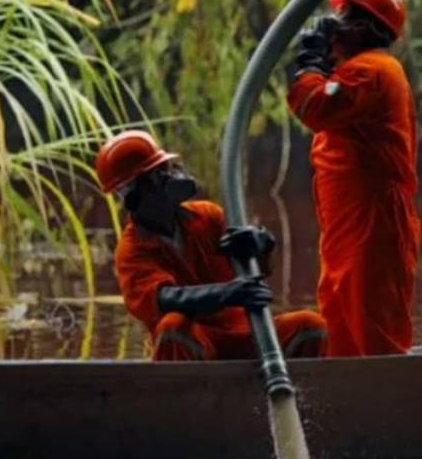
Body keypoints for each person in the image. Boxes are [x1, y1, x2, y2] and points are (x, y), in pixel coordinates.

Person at [95, 130, 326, 361]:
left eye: (166, 168)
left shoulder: (207, 216)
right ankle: (184, 396)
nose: (170, 176)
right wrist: (227, 293)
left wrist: (262, 243)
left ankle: (306, 396)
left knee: (310, 326)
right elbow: (164, 298)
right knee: (172, 327)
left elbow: (259, 268)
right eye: (157, 174)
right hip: (197, 342)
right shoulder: (132, 251)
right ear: (132, 196)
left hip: (246, 332)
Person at [286, 0, 421, 357]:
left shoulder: (371, 70)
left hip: (374, 220)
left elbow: (315, 107)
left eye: (345, 16)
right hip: (350, 223)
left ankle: (387, 399)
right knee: (341, 317)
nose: (335, 24)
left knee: (372, 321)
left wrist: (309, 64)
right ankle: (347, 397)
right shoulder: (355, 72)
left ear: (367, 27)